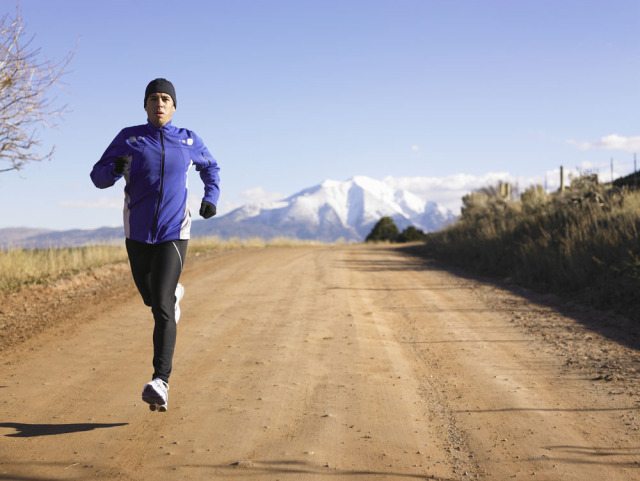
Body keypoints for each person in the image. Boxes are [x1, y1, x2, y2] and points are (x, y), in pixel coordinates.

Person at [90, 78, 220, 412]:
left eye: (165, 99)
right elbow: (97, 176)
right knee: (152, 298)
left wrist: (211, 198)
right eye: (153, 99)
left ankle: (160, 381)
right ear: (145, 106)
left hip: (174, 233)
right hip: (137, 234)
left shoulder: (188, 139)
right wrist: (114, 170)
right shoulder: (129, 137)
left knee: (161, 307)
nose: (159, 103)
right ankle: (172, 294)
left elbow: (211, 167)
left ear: (173, 106)